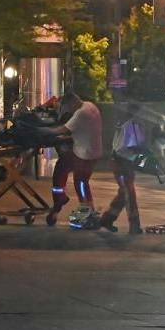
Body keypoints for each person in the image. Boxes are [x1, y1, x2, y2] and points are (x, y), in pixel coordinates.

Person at [46, 91, 105, 228]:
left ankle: (85, 214)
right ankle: (63, 200)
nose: (70, 111)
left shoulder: (80, 113)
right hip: (92, 150)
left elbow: (62, 130)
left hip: (84, 154)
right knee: (62, 167)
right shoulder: (90, 106)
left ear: (72, 103)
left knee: (81, 182)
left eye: (69, 108)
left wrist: (44, 131)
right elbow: (80, 131)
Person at [97, 102, 149, 234]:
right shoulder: (132, 125)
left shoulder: (125, 124)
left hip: (120, 162)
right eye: (142, 112)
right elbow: (128, 147)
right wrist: (142, 152)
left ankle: (107, 219)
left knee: (124, 193)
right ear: (136, 113)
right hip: (123, 163)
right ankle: (134, 225)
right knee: (129, 194)